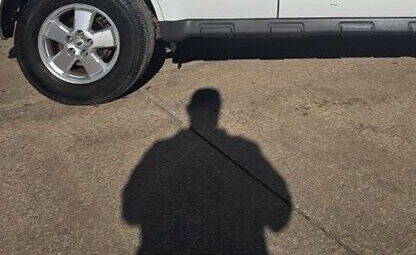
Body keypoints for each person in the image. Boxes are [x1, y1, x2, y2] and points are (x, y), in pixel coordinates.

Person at [123, 88, 291, 254]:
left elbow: (130, 215)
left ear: (189, 110)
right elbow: (278, 220)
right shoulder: (245, 147)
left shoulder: (159, 149)